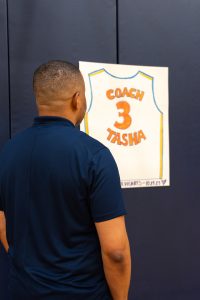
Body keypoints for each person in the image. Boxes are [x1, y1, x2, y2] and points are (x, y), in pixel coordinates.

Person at [0, 60, 131, 300]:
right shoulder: (94, 156)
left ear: (39, 99)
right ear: (77, 99)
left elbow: (2, 225)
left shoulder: (7, 153)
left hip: (21, 291)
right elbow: (115, 251)